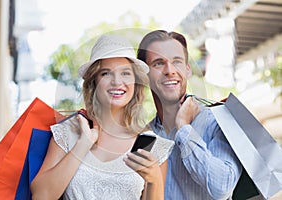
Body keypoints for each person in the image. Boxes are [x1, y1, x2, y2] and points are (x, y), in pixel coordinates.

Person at [31, 34, 174, 200]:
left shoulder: (149, 144)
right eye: (106, 73)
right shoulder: (69, 133)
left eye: (126, 73)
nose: (117, 82)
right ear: (93, 83)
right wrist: (83, 144)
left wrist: (154, 179)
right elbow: (41, 196)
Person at [137, 30, 242, 200]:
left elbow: (222, 188)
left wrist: (184, 128)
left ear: (188, 70)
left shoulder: (218, 122)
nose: (170, 70)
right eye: (158, 63)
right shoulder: (145, 137)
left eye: (176, 62)